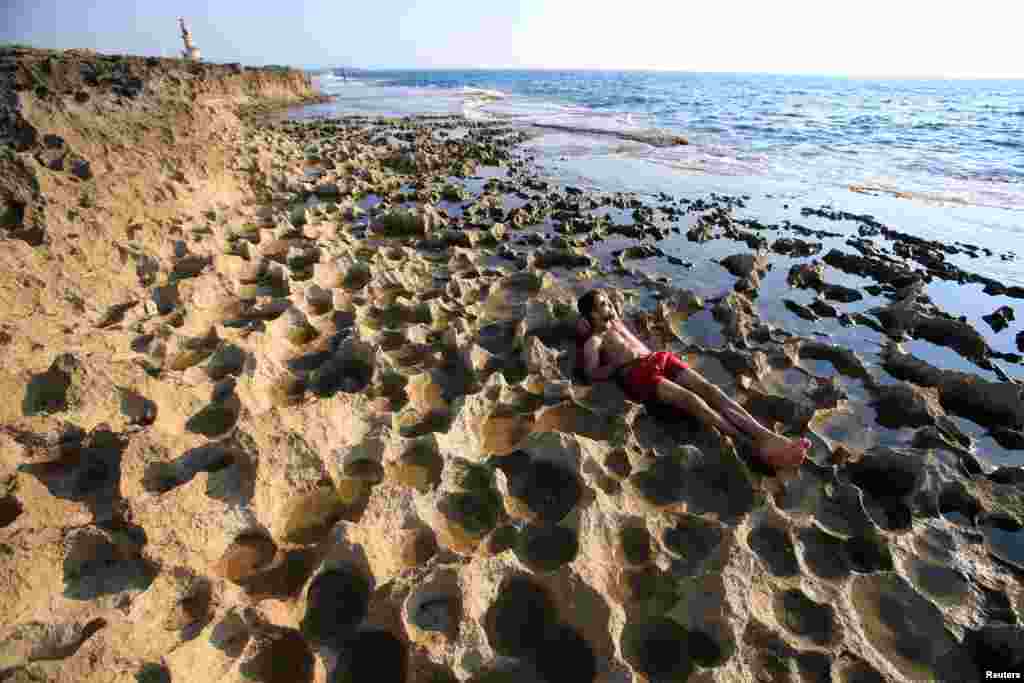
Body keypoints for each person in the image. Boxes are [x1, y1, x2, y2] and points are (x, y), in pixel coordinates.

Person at [576, 289, 808, 467]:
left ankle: (768, 437)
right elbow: (590, 373)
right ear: (593, 314)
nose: (610, 306)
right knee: (692, 401)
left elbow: (612, 310)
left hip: (659, 358)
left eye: (608, 302)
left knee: (711, 389)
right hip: (638, 374)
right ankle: (750, 444)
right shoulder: (594, 341)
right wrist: (614, 367)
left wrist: (607, 312)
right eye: (603, 305)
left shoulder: (616, 322)